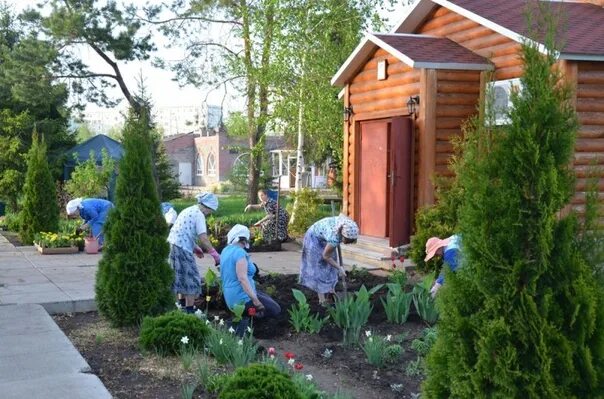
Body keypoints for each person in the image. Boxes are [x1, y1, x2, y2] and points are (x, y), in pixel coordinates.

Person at [220, 224, 281, 336]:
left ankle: (248, 316)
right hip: (241, 299)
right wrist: (256, 302)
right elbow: (242, 278)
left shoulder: (225, 250)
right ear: (243, 240)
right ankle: (253, 323)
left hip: (229, 297)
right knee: (275, 309)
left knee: (265, 296)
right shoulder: (240, 253)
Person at [167, 192, 221, 314]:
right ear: (206, 207)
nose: (210, 213)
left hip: (173, 245)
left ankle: (180, 306)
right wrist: (216, 256)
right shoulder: (199, 215)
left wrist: (195, 247)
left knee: (179, 277)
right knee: (192, 278)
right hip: (182, 248)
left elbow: (183, 230)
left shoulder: (189, 210)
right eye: (210, 211)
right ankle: (190, 311)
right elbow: (204, 238)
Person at [299, 214, 359, 305]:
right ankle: (322, 300)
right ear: (342, 235)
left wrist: (336, 267)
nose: (347, 243)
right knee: (319, 267)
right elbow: (326, 256)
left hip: (325, 236)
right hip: (313, 237)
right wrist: (339, 268)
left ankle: (331, 292)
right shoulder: (334, 238)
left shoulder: (347, 225)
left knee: (331, 265)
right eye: (347, 240)